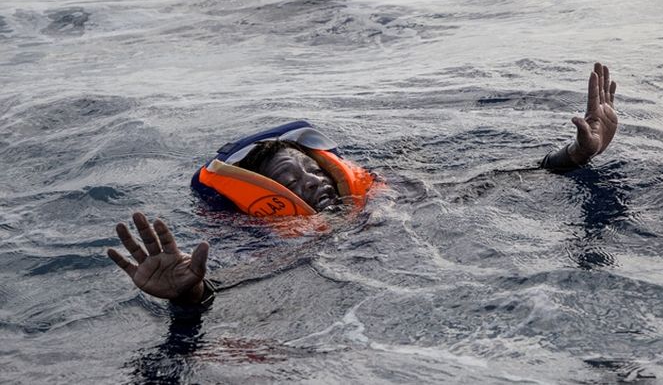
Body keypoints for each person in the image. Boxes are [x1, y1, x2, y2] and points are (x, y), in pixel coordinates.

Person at [107, 62, 618, 308]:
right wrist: (189, 295)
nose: (310, 179)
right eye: (289, 178)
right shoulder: (296, 250)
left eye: (311, 167)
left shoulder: (398, 201)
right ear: (269, 201)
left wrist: (575, 155)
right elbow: (235, 282)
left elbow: (493, 183)